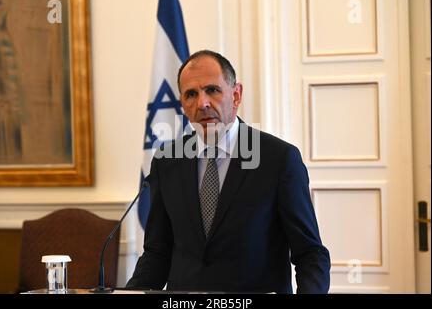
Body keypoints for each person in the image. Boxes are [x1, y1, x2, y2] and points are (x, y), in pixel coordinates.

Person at [126, 50, 330, 293]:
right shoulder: (166, 162)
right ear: (182, 103)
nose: (202, 103)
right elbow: (157, 254)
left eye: (212, 90)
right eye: (191, 94)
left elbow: (310, 253)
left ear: (236, 95)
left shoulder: (279, 159)